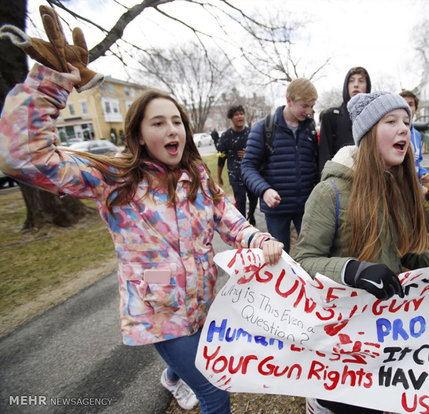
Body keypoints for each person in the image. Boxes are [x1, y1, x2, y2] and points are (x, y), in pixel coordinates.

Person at [0, 62, 284, 414]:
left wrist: (258, 240)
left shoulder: (194, 173)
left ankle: (174, 375)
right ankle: (184, 373)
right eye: (159, 122)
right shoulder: (115, 177)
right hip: (159, 312)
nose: (172, 130)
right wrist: (50, 85)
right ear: (137, 134)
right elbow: (22, 158)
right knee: (214, 391)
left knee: (194, 359)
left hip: (201, 302)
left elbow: (228, 218)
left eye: (177, 121)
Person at [295, 92, 429, 414]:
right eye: (391, 121)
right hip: (340, 342)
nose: (404, 128)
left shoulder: (397, 191)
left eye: (407, 122)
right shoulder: (329, 192)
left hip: (385, 335)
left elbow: (408, 256)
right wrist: (355, 270)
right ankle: (319, 402)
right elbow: (304, 262)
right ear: (368, 134)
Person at [242, 78, 319, 253]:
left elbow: (314, 165)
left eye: (311, 106)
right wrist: (264, 190)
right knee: (279, 257)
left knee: (313, 253)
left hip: (306, 207)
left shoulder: (310, 128)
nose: (308, 111)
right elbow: (247, 166)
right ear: (289, 100)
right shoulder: (264, 128)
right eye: (304, 106)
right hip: (277, 210)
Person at [318, 66, 372, 172]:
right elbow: (324, 155)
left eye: (361, 81)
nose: (356, 84)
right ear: (346, 85)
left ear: (367, 86)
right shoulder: (331, 116)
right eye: (351, 81)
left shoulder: (375, 118)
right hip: (338, 178)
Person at [216, 105, 258, 225]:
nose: (240, 116)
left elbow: (261, 152)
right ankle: (243, 226)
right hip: (235, 174)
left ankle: (251, 215)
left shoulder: (252, 133)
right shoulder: (225, 136)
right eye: (236, 114)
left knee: (254, 199)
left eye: (241, 113)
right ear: (231, 118)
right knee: (240, 201)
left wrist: (249, 153)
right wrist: (219, 176)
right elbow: (221, 157)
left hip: (251, 173)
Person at [399, 90, 429, 200]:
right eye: (403, 103)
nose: (406, 107)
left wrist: (424, 173)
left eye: (410, 104)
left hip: (415, 194)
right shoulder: (394, 133)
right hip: (400, 193)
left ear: (416, 110)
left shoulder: (416, 135)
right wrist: (418, 188)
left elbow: (416, 164)